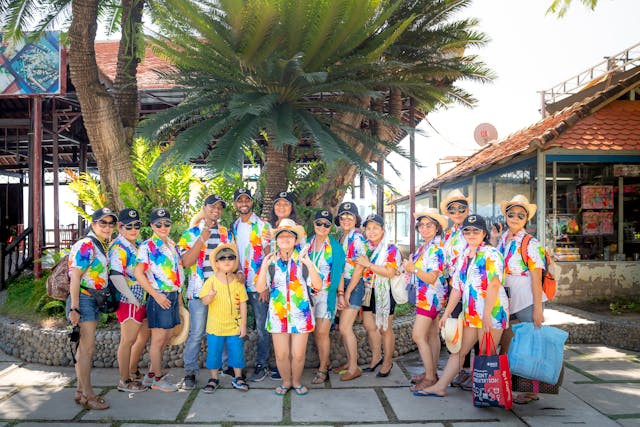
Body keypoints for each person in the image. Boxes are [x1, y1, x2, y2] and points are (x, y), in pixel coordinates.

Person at [417, 214, 509, 397]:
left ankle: (489, 395)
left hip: (492, 313)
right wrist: (446, 314)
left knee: (486, 354)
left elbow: (493, 285)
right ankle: (440, 387)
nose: (471, 234)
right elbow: (457, 288)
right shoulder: (464, 256)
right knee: (459, 351)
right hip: (471, 313)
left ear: (484, 233)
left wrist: (487, 315)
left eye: (476, 231)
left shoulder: (491, 254)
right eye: (467, 231)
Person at [256, 218, 323, 396]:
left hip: (301, 314)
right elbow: (260, 288)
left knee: (299, 355)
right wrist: (263, 267)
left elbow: (317, 286)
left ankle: (297, 382)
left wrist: (308, 263)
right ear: (276, 240)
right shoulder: (271, 262)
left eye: (289, 236)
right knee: (281, 355)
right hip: (278, 315)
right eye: (281, 236)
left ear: (295, 239)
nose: (285, 239)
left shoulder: (303, 260)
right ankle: (286, 382)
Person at [493, 194, 546, 405]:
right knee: (508, 342)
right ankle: (507, 384)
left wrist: (538, 310)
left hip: (526, 300)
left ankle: (531, 390)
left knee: (528, 345)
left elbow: (537, 279)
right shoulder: (503, 239)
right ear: (506, 216)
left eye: (520, 215)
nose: (515, 218)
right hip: (507, 299)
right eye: (511, 214)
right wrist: (495, 240)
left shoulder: (531, 243)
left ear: (526, 219)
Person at [177, 194, 234, 390]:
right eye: (212, 207)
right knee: (196, 332)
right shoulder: (190, 233)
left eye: (219, 207)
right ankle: (190, 371)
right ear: (204, 208)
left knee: (223, 329)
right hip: (199, 292)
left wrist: (237, 273)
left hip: (222, 291)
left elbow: (232, 260)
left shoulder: (226, 234)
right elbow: (185, 262)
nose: (216, 210)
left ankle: (225, 367)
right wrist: (201, 239)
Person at [67, 207, 117, 410]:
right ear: (93, 224)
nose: (107, 227)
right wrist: (75, 308)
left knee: (83, 349)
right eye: (102, 222)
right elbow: (75, 277)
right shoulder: (86, 245)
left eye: (111, 223)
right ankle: (88, 395)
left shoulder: (99, 244)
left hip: (92, 299)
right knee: (86, 350)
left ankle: (80, 391)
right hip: (84, 300)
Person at [134, 207, 185, 392]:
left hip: (172, 295)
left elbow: (177, 272)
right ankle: (158, 379)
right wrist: (156, 295)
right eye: (159, 224)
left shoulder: (171, 244)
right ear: (151, 226)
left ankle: (150, 375)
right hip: (159, 296)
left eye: (166, 223)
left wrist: (179, 298)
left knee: (168, 336)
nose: (163, 227)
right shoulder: (147, 246)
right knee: (158, 340)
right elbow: (138, 273)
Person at [403, 209, 448, 392]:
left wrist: (413, 269)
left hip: (430, 297)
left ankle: (429, 378)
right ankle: (432, 372)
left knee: (418, 336)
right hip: (427, 296)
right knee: (432, 335)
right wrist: (409, 268)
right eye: (421, 225)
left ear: (437, 228)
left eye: (429, 225)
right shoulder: (426, 247)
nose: (424, 228)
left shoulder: (436, 249)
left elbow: (431, 277)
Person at [231, 188, 273, 382]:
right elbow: (234, 253)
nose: (243, 203)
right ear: (235, 204)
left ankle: (261, 364)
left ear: (251, 202)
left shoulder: (263, 226)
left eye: (246, 199)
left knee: (262, 327)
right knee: (234, 326)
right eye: (240, 200)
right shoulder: (234, 226)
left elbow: (269, 255)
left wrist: (266, 284)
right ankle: (235, 366)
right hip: (238, 283)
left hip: (258, 284)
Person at [355, 213, 401, 378]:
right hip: (368, 290)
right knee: (369, 325)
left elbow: (390, 272)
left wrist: (368, 265)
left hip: (384, 291)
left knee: (384, 328)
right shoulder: (365, 247)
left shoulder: (390, 248)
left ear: (382, 230)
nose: (371, 231)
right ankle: (376, 358)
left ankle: (387, 362)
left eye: (375, 228)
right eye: (368, 228)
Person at [200, 243, 249, 393]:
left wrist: (243, 325)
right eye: (222, 258)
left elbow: (243, 303)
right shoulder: (211, 281)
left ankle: (238, 377)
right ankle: (214, 378)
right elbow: (204, 301)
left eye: (230, 258)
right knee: (214, 353)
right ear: (216, 263)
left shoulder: (238, 282)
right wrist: (210, 296)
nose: (227, 260)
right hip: (215, 327)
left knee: (237, 352)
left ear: (235, 262)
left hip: (234, 326)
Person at [110, 208, 149, 393]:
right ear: (120, 227)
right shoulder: (119, 248)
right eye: (129, 226)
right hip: (129, 298)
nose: (133, 229)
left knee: (143, 336)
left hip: (142, 297)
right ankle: (124, 380)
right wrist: (132, 298)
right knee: (128, 340)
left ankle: (133, 371)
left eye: (137, 225)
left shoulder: (138, 244)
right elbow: (116, 275)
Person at [439, 189, 475, 390]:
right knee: (457, 328)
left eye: (461, 208)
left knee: (472, 329)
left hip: (471, 286)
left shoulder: (472, 229)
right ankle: (462, 370)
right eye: (453, 209)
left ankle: (472, 372)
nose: (457, 212)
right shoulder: (449, 233)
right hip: (453, 286)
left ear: (467, 209)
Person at [307, 209, 345, 384]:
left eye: (326, 225)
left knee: (323, 332)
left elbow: (340, 273)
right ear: (314, 224)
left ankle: (323, 370)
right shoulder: (306, 244)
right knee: (316, 331)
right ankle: (326, 361)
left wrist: (340, 294)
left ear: (330, 228)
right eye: (319, 223)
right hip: (308, 295)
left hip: (327, 295)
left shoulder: (335, 248)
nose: (322, 227)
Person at [333, 202, 367, 381]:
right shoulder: (343, 237)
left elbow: (359, 268)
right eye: (343, 216)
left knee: (346, 327)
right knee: (343, 328)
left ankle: (354, 368)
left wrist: (347, 293)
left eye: (350, 216)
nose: (346, 219)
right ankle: (349, 362)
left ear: (356, 219)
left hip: (354, 285)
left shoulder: (357, 238)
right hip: (344, 284)